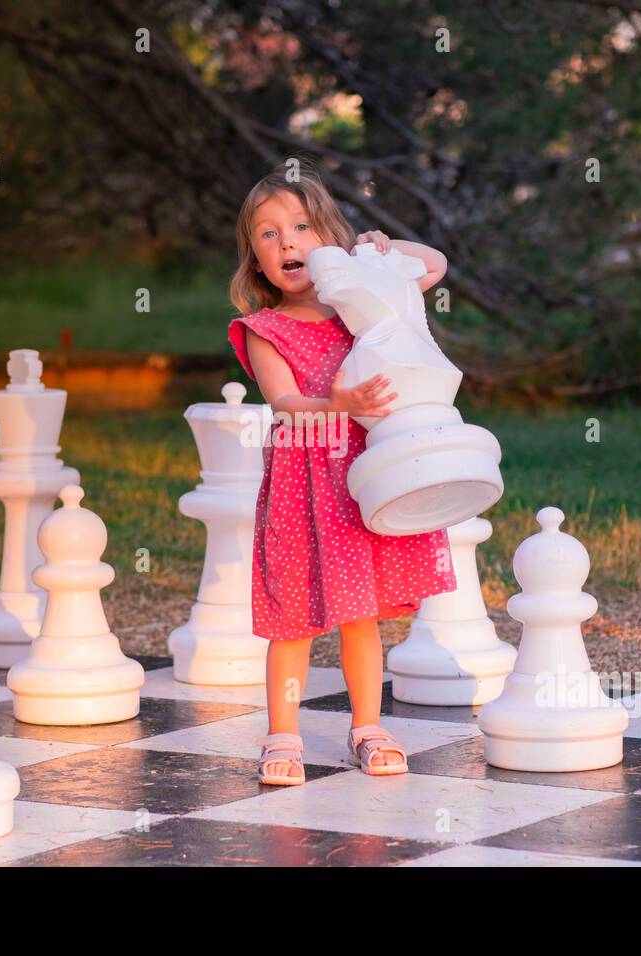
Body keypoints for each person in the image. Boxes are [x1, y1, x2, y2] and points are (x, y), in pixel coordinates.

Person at [226, 161, 457, 786]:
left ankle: (367, 726)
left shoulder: (360, 306)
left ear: (327, 237)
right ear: (255, 260)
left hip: (361, 486)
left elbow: (431, 264)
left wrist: (382, 249)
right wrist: (341, 405)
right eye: (268, 235)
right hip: (305, 489)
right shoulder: (265, 330)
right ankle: (282, 736)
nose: (287, 243)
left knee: (363, 614)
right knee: (292, 617)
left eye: (301, 227)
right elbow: (283, 405)